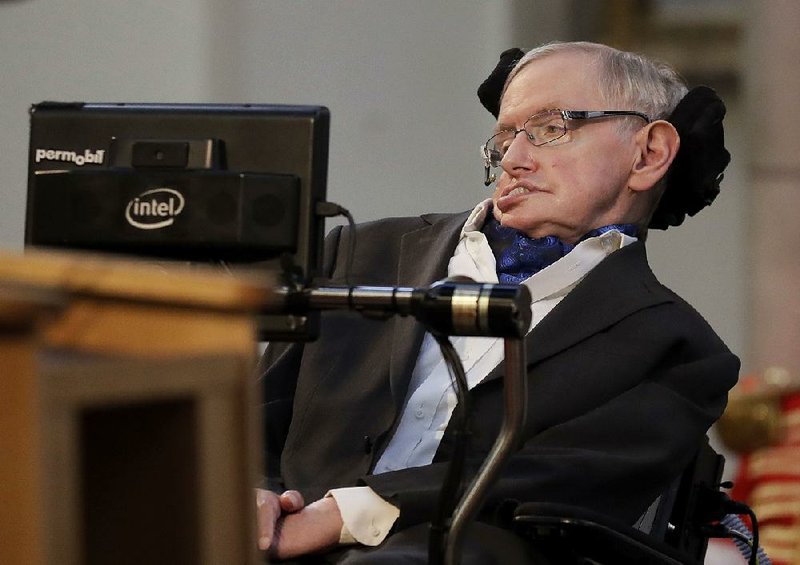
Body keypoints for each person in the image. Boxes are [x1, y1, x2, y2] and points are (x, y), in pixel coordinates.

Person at [256, 41, 740, 563]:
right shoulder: (357, 253)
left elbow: (548, 483)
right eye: (505, 137)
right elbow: (252, 424)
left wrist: (340, 516)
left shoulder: (678, 350)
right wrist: (251, 494)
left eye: (551, 129)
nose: (514, 159)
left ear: (648, 155)